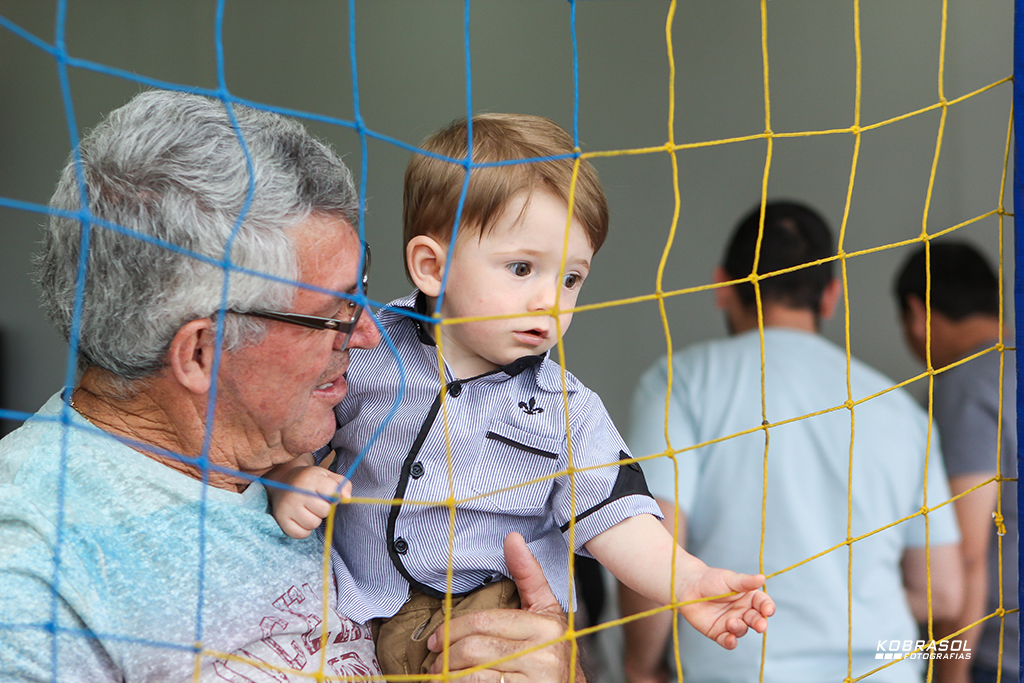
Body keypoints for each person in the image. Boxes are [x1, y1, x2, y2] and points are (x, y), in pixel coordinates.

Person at [0, 90, 585, 682]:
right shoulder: (34, 577)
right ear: (201, 352)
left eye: (363, 289)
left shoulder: (335, 451)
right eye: (334, 313)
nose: (368, 336)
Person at [268, 113, 775, 676]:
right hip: (364, 613)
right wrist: (290, 478)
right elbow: (292, 421)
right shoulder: (363, 349)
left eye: (571, 279)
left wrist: (691, 581)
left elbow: (615, 514)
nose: (549, 302)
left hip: (494, 612)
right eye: (521, 268)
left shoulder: (565, 407)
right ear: (431, 267)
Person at [621, 201, 963, 683]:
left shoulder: (681, 382)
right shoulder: (903, 411)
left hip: (736, 668)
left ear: (722, 287)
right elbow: (944, 594)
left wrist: (639, 666)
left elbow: (654, 540)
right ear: (830, 297)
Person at [894, 241, 1018, 683]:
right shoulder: (1010, 369)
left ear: (917, 314)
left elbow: (966, 551)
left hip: (994, 653)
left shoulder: (966, 383)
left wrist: (949, 673)